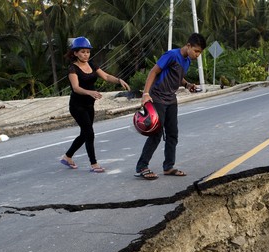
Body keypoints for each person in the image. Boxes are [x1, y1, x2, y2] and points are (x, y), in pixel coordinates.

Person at [135, 32, 207, 180]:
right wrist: (145, 94)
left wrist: (187, 84)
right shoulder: (172, 55)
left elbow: (178, 76)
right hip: (158, 97)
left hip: (171, 99)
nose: (197, 55)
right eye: (196, 50)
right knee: (156, 133)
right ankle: (142, 166)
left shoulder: (186, 60)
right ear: (188, 46)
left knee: (172, 133)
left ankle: (168, 167)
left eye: (200, 52)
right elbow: (153, 71)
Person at [60, 36, 130, 173]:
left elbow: (106, 76)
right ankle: (94, 164)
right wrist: (90, 92)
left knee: (85, 133)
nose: (86, 54)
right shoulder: (72, 69)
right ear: (75, 53)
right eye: (82, 52)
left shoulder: (91, 64)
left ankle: (67, 157)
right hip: (77, 106)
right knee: (89, 133)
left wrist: (119, 80)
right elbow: (76, 88)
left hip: (89, 105)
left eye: (87, 52)